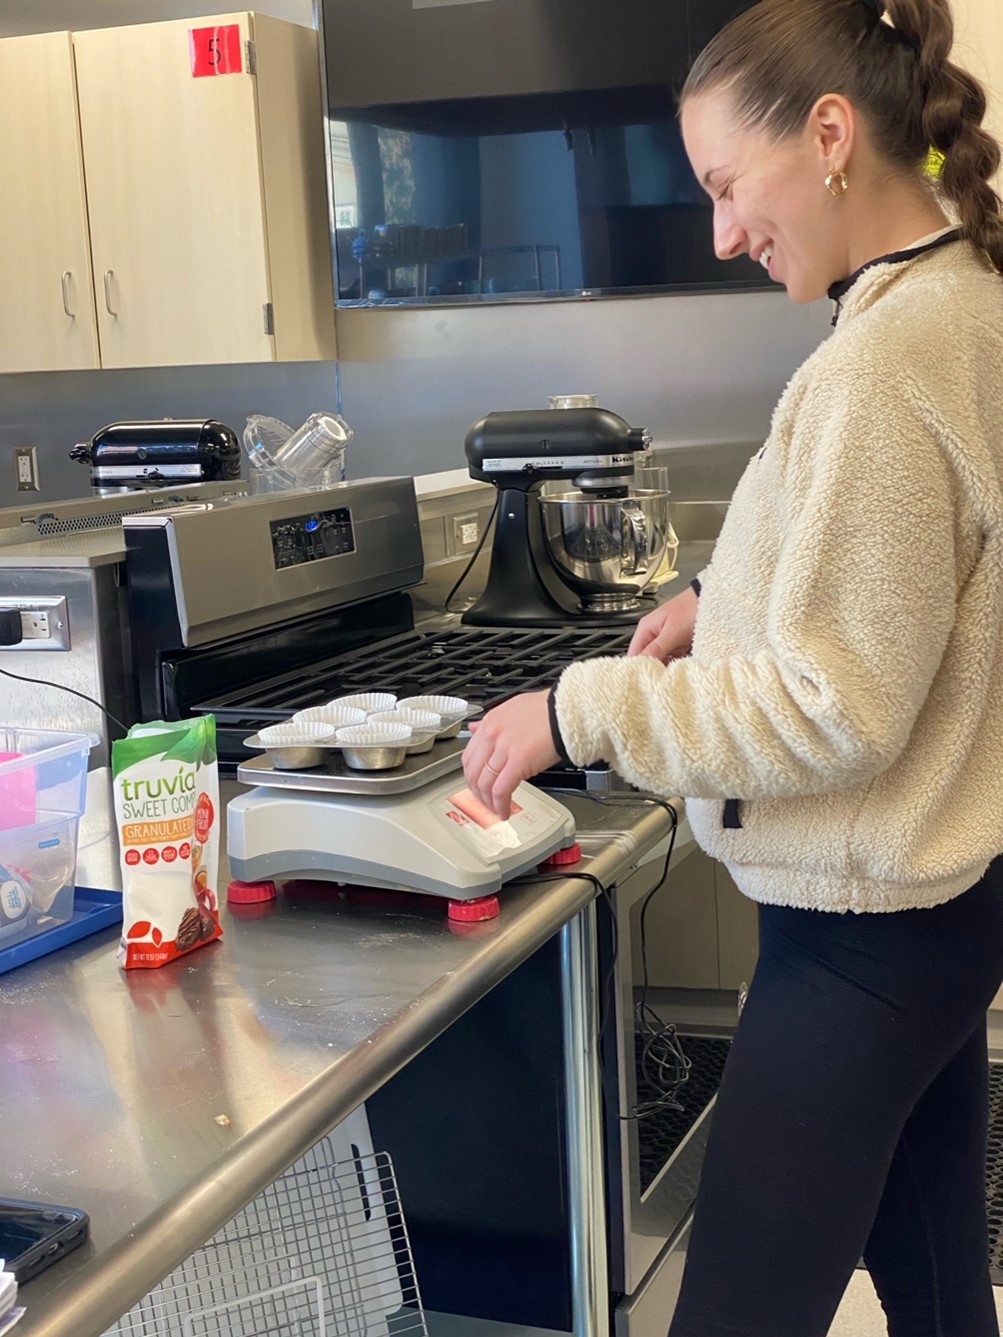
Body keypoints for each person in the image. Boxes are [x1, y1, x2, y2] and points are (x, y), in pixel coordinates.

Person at [461, 0, 1003, 1331]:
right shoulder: (959, 297)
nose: (719, 230)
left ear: (827, 138)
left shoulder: (879, 363)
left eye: (723, 185)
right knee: (938, 1291)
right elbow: (911, 557)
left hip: (859, 938)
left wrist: (572, 710)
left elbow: (838, 705)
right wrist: (727, 589)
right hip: (949, 904)